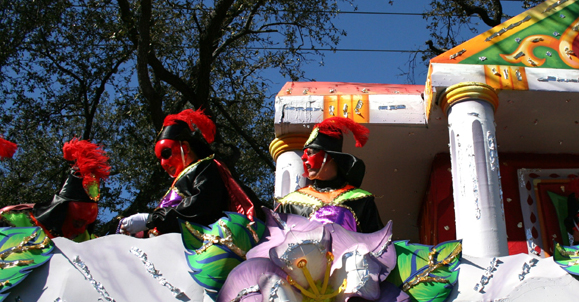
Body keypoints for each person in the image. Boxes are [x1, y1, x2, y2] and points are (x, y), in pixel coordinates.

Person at [117, 108, 263, 236]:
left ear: (185, 148)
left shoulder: (205, 168)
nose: (163, 164)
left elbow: (202, 205)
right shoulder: (180, 182)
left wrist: (151, 220)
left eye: (166, 153)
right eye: (159, 159)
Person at [275, 117, 383, 233]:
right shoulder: (289, 204)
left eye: (310, 153)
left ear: (329, 157)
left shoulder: (361, 201)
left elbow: (379, 242)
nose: (304, 158)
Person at [0, 139, 111, 241]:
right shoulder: (14, 219)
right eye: (77, 223)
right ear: (60, 211)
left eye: (86, 225)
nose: (82, 230)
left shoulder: (86, 240)